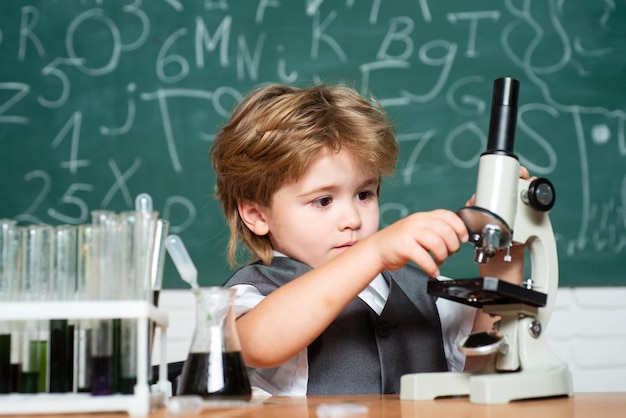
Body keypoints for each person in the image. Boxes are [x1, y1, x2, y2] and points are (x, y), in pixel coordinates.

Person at [210, 83, 527, 396]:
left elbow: (487, 369)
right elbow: (260, 345)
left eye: (364, 194)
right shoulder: (255, 291)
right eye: (323, 201)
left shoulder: (426, 291)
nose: (353, 220)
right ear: (256, 214)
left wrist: (502, 263)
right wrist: (374, 251)